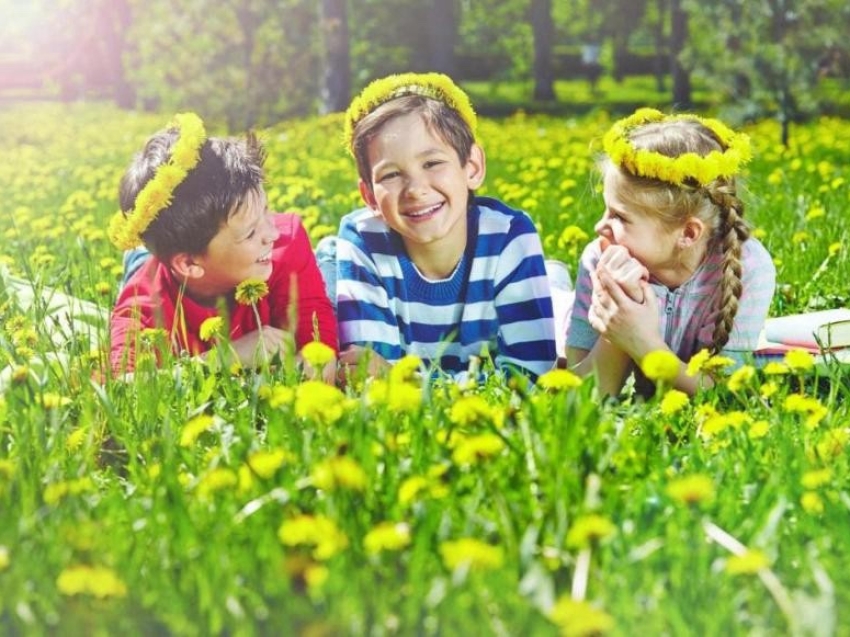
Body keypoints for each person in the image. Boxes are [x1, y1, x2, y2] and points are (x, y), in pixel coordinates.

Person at [321, 72, 558, 384]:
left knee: (554, 309)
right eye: (391, 175)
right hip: (338, 271)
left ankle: (556, 284)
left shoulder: (510, 236)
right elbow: (369, 378)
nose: (415, 189)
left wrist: (417, 387)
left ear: (472, 168)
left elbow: (532, 379)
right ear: (369, 197)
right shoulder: (362, 241)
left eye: (432, 163)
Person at [109, 112, 338, 377]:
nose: (272, 233)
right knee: (139, 265)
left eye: (267, 209)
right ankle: (136, 258)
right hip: (162, 277)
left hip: (183, 264)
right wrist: (223, 357)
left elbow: (321, 352)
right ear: (189, 262)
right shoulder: (143, 308)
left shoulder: (285, 242)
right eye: (250, 232)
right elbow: (121, 390)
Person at [566, 108, 775, 397]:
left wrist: (644, 344)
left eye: (620, 217)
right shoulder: (598, 259)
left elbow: (725, 394)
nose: (599, 226)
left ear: (688, 234)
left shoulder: (749, 267)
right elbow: (581, 395)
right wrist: (617, 329)